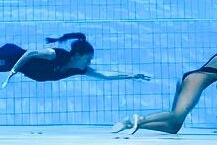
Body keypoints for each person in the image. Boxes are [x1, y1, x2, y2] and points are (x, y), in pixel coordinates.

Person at [111, 32, 217, 135]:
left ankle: (131, 124)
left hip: (190, 78)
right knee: (175, 115)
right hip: (196, 80)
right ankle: (138, 119)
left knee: (174, 126)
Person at [1, 32, 150, 87]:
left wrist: (131, 76)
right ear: (77, 55)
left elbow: (105, 75)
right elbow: (30, 53)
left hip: (9, 65)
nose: (89, 63)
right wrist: (13, 71)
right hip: (10, 55)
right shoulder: (55, 54)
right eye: (88, 59)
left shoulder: (78, 70)